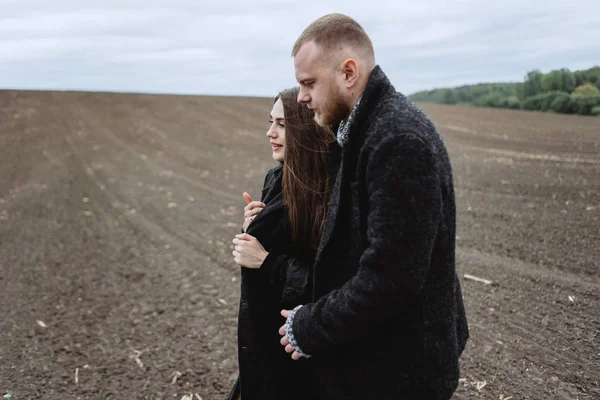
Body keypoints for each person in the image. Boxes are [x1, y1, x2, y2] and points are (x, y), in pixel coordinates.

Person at [278, 13, 469, 399]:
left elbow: (390, 279)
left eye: (308, 83)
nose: (300, 97)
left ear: (349, 72)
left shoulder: (397, 140)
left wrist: (311, 326)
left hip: (399, 377)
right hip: (380, 366)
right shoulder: (364, 132)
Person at [228, 87, 336, 400]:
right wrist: (258, 223)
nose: (270, 132)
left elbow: (334, 285)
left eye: (282, 125)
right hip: (264, 341)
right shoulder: (277, 178)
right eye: (271, 122)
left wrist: (266, 260)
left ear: (307, 130)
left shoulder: (328, 196)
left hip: (301, 351)